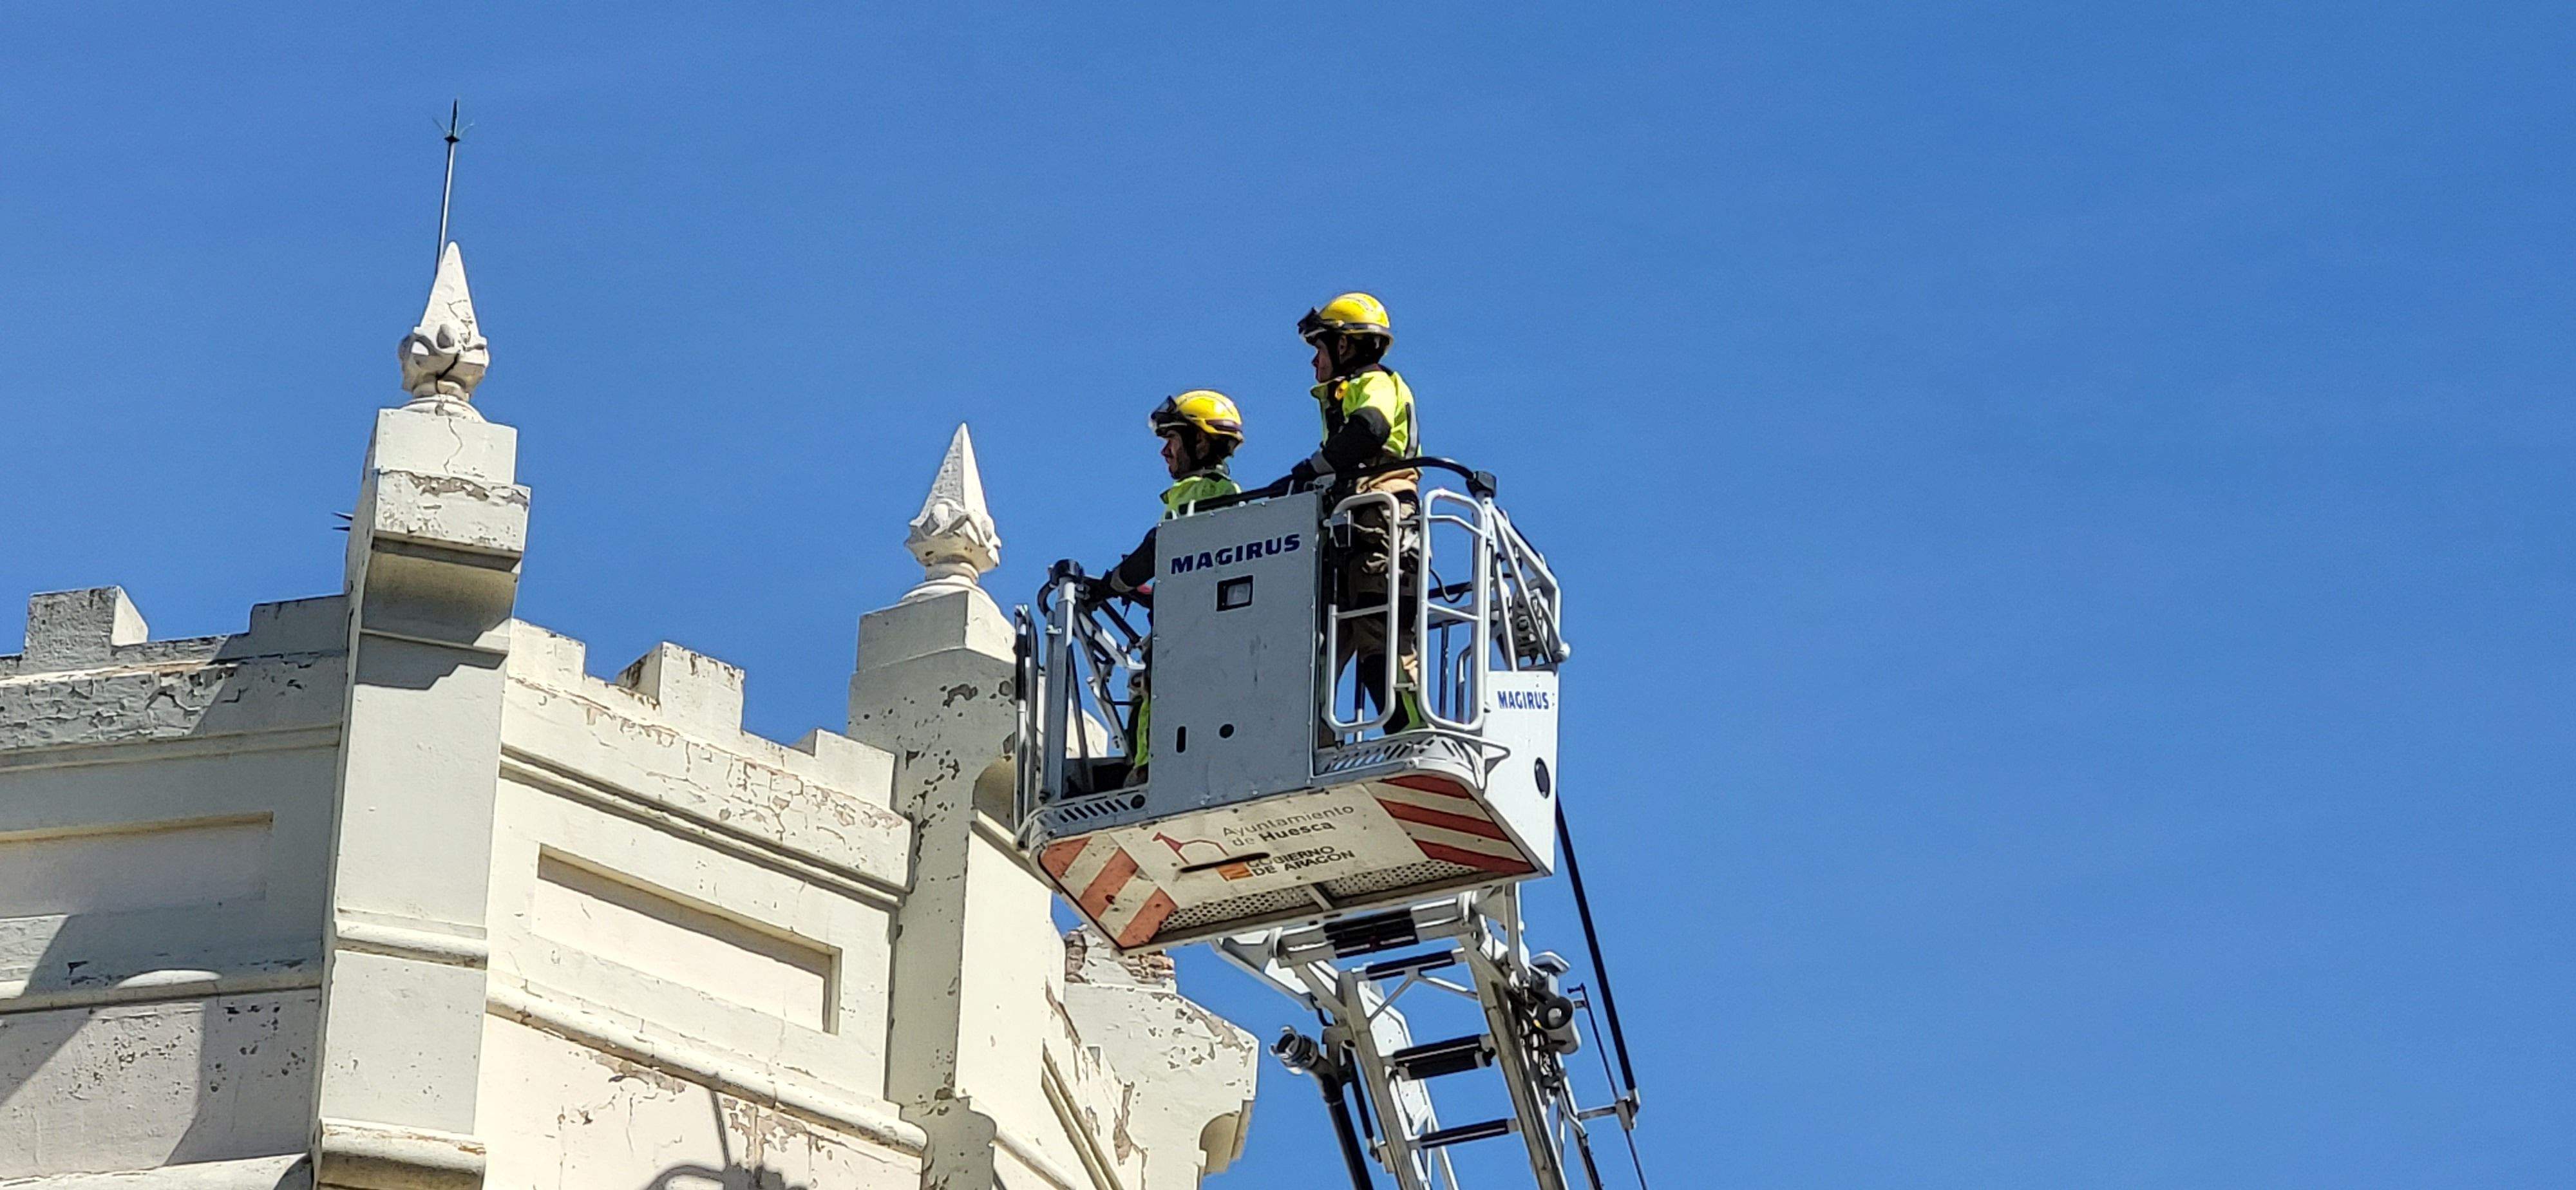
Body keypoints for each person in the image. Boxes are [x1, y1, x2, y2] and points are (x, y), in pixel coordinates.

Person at [1281, 292, 1423, 731]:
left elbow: (1371, 428)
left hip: (1380, 522)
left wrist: (1312, 469)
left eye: (1319, 349)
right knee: (1327, 645)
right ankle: (1312, 742)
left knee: (1381, 639)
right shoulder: (1351, 389)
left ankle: (1414, 736)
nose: (1313, 363)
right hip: (1354, 526)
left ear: (1345, 346)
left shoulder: (1374, 382)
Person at [1096, 390, 1245, 773]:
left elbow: (1158, 550)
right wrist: (1144, 592)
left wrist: (1110, 584)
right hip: (1190, 635)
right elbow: (1192, 573)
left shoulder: (1209, 494)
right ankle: (1144, 769)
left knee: (1161, 699)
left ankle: (1147, 774)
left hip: (1194, 643)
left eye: (1172, 440)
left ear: (1200, 441)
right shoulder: (1200, 494)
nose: (1165, 452)